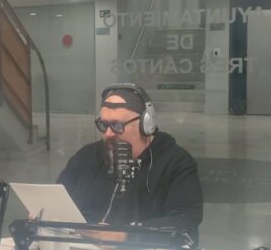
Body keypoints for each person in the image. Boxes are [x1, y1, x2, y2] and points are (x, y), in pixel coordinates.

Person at [58, 84, 203, 239]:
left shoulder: (176, 162)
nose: (108, 133)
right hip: (83, 249)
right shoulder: (87, 156)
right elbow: (57, 202)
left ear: (146, 125)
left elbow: (185, 220)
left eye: (117, 126)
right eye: (104, 125)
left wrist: (124, 235)